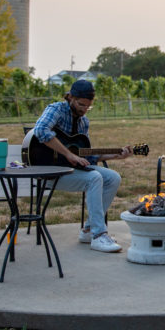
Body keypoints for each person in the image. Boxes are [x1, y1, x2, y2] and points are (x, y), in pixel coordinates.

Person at [27, 79, 133, 253]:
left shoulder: (84, 122)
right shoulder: (56, 110)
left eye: (88, 106)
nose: (84, 109)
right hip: (47, 170)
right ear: (70, 97)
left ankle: (89, 230)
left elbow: (86, 155)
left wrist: (116, 154)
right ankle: (99, 236)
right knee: (94, 178)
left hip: (71, 170)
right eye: (81, 105)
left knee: (113, 177)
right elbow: (41, 131)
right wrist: (68, 154)